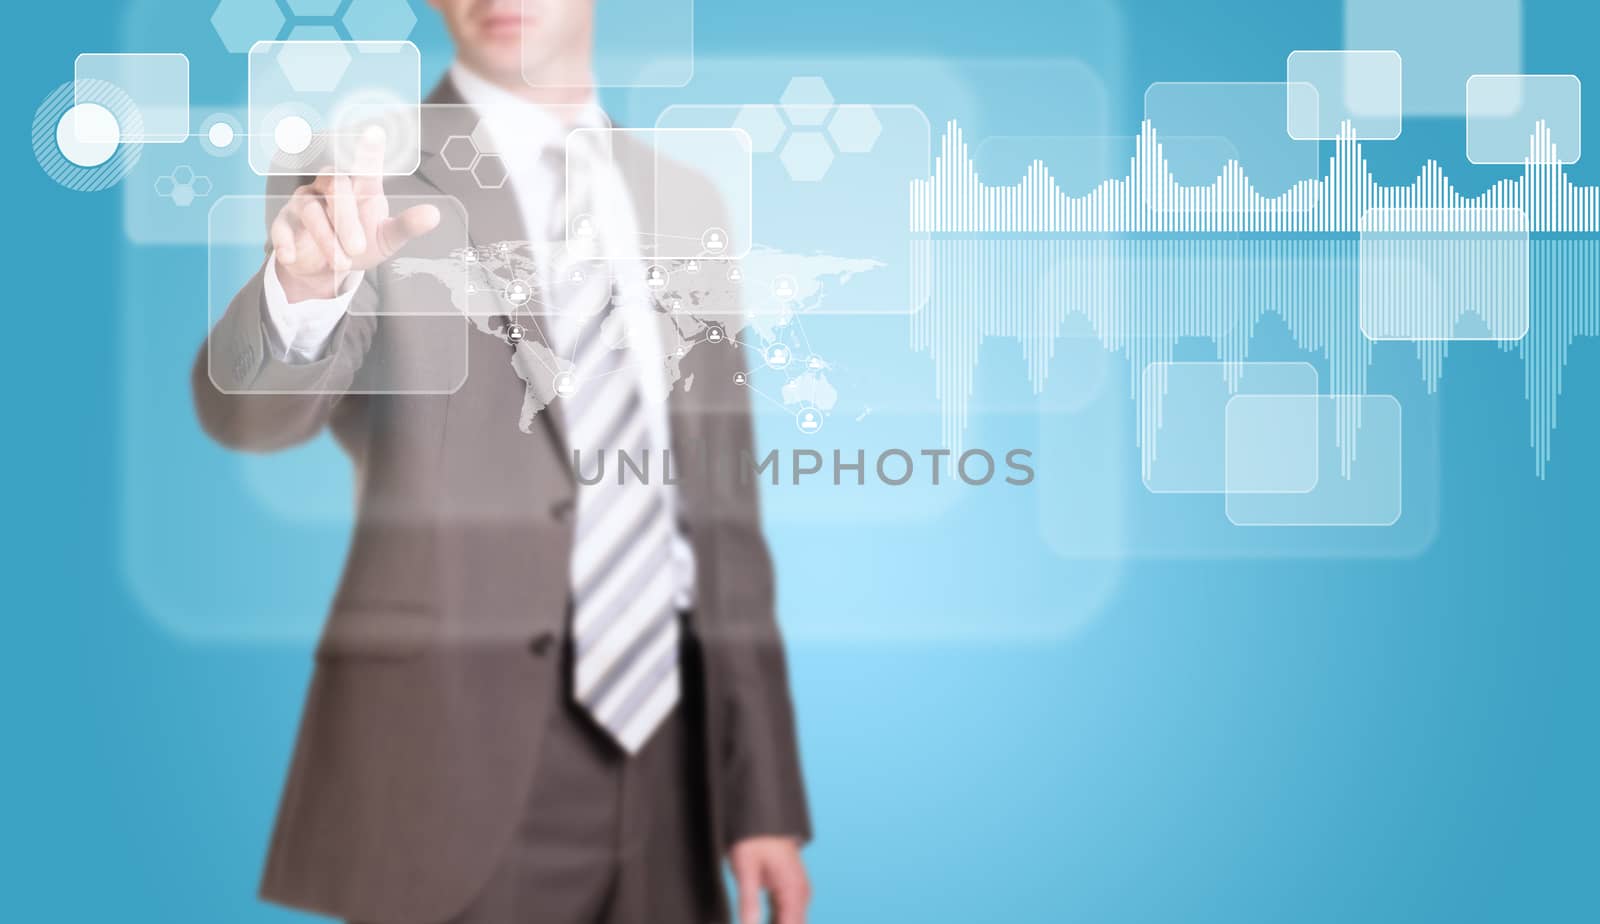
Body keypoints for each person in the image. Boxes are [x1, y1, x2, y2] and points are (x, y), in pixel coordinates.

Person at [191, 2, 812, 923]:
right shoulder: (362, 176)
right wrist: (302, 294)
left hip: (673, 764)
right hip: (449, 751)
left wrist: (761, 798)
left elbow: (722, 519)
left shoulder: (688, 202)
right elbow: (251, 417)